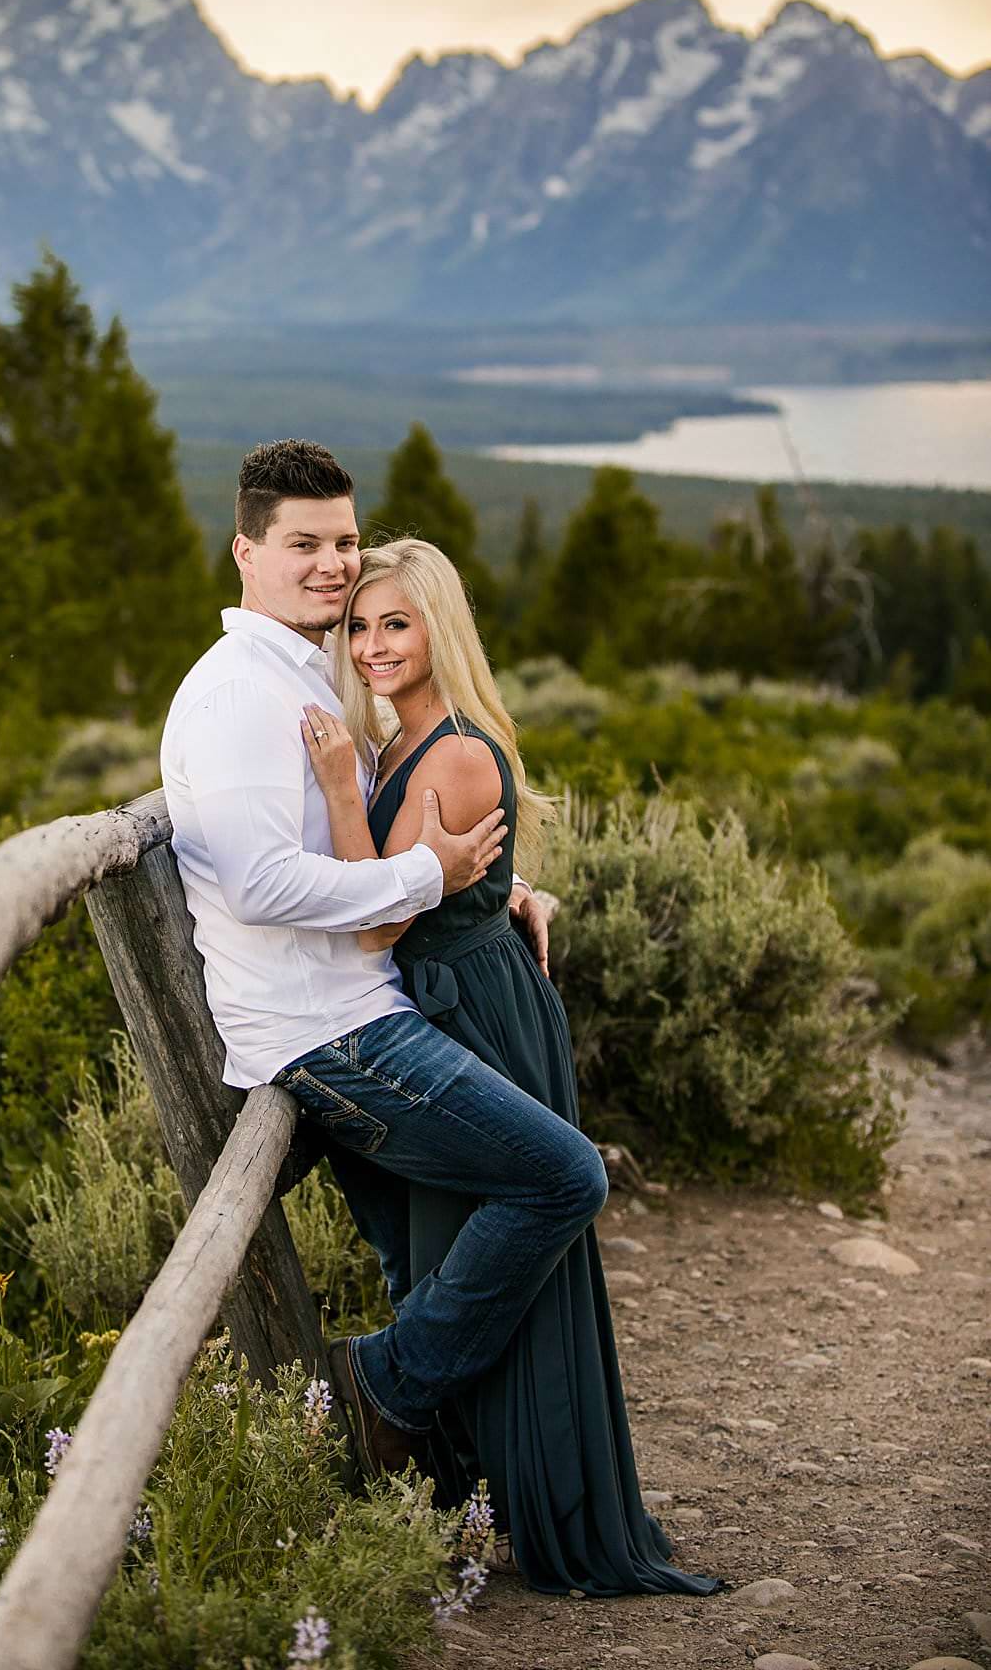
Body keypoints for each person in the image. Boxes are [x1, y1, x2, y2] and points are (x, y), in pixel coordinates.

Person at [160, 438, 609, 1492]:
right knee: (562, 1175)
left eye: (344, 542)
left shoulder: (305, 673)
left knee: (425, 1254)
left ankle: (444, 1484)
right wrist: (421, 875)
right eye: (303, 543)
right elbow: (263, 883)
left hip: (367, 1001)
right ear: (245, 551)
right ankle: (385, 1387)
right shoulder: (234, 695)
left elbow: (390, 826)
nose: (330, 564)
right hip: (330, 1032)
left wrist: (488, 888)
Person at [298, 534, 723, 1597]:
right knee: (454, 1262)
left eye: (397, 621)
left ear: (440, 624)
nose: (374, 642)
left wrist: (342, 794)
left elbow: (373, 928)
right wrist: (512, 889)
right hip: (466, 995)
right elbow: (455, 878)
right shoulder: (404, 736)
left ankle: (442, 1435)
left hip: (473, 1008)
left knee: (494, 1236)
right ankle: (454, 1487)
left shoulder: (444, 748)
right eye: (360, 624)